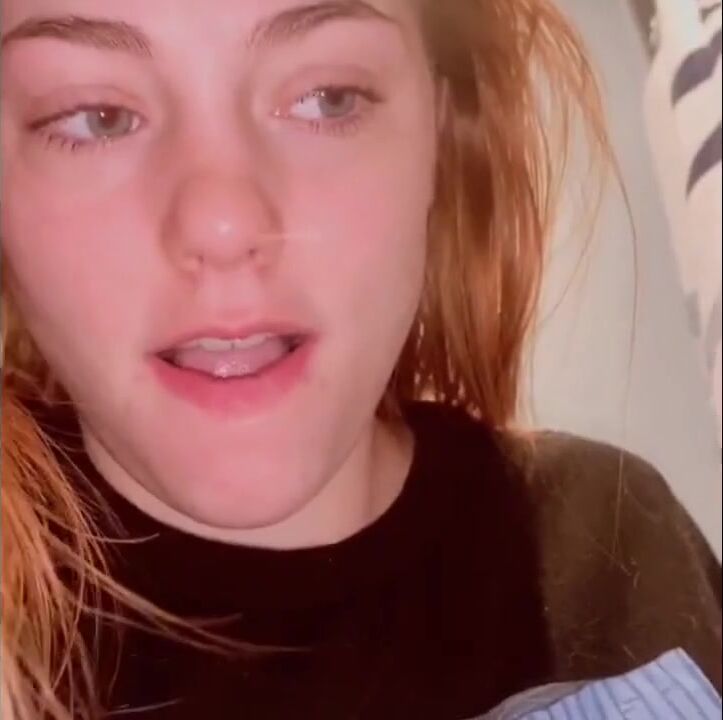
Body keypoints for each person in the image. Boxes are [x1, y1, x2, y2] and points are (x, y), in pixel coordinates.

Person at [1, 1, 720, 718]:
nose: (222, 225)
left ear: (440, 132)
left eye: (328, 98)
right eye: (96, 117)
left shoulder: (609, 539)